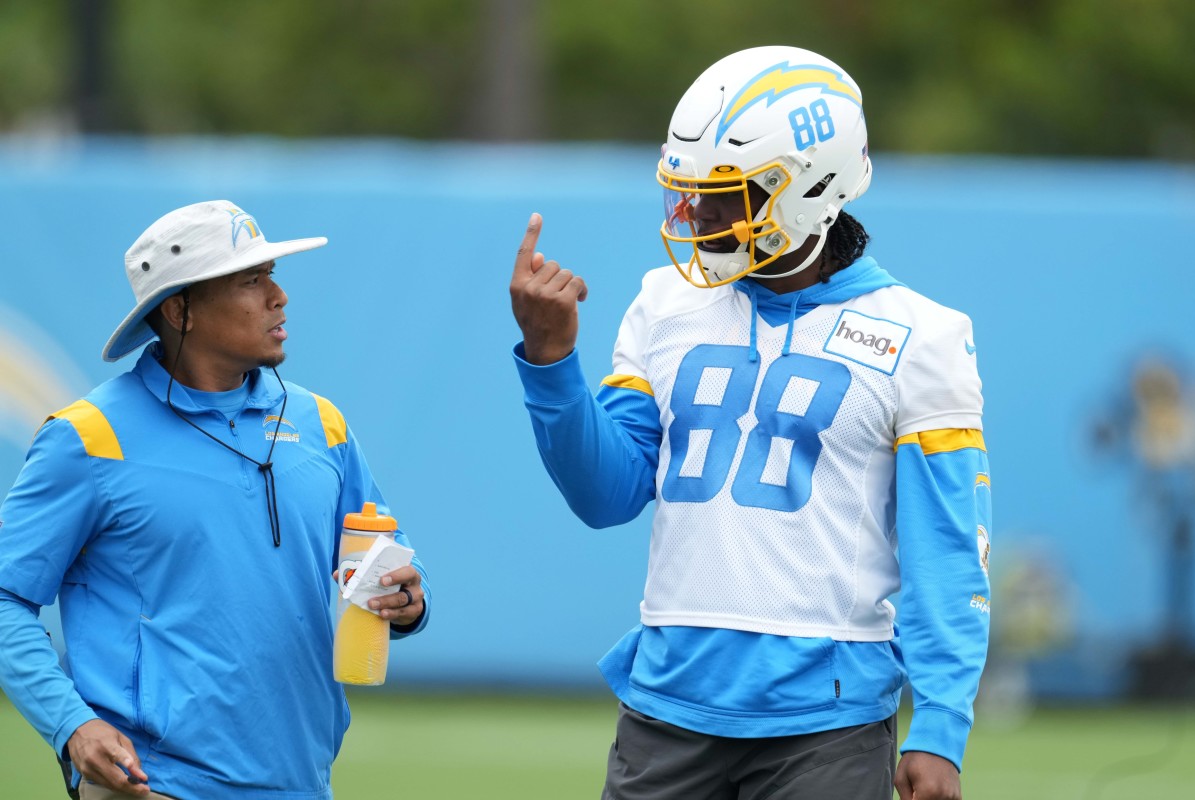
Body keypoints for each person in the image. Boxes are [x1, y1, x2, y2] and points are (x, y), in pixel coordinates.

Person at [509, 46, 990, 800]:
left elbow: (947, 551)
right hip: (668, 700)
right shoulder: (663, 302)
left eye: (726, 193)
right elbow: (607, 496)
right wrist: (550, 359)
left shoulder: (921, 335)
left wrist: (940, 721)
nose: (698, 214)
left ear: (809, 189)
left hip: (826, 721)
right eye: (692, 191)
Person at [0, 200, 430, 799]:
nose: (279, 297)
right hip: (152, 783)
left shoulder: (322, 424)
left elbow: (386, 555)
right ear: (179, 310)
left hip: (301, 782)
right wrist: (71, 725)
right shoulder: (88, 438)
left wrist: (408, 598)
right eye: (251, 280)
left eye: (273, 275)